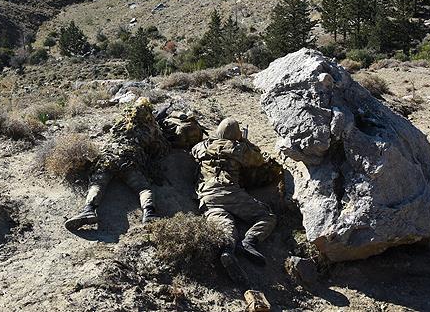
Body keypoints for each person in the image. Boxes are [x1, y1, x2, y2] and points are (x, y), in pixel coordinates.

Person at [191, 118, 282, 284]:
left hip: (206, 196)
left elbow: (194, 151)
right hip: (229, 192)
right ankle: (249, 242)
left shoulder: (202, 146)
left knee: (225, 224)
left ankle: (228, 251)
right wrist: (245, 142)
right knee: (267, 216)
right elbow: (259, 159)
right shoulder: (238, 148)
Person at [65, 97, 169, 231]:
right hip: (130, 161)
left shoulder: (121, 123)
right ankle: (149, 213)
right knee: (143, 189)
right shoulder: (149, 128)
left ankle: (88, 210)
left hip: (108, 158)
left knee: (97, 184)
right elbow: (159, 149)